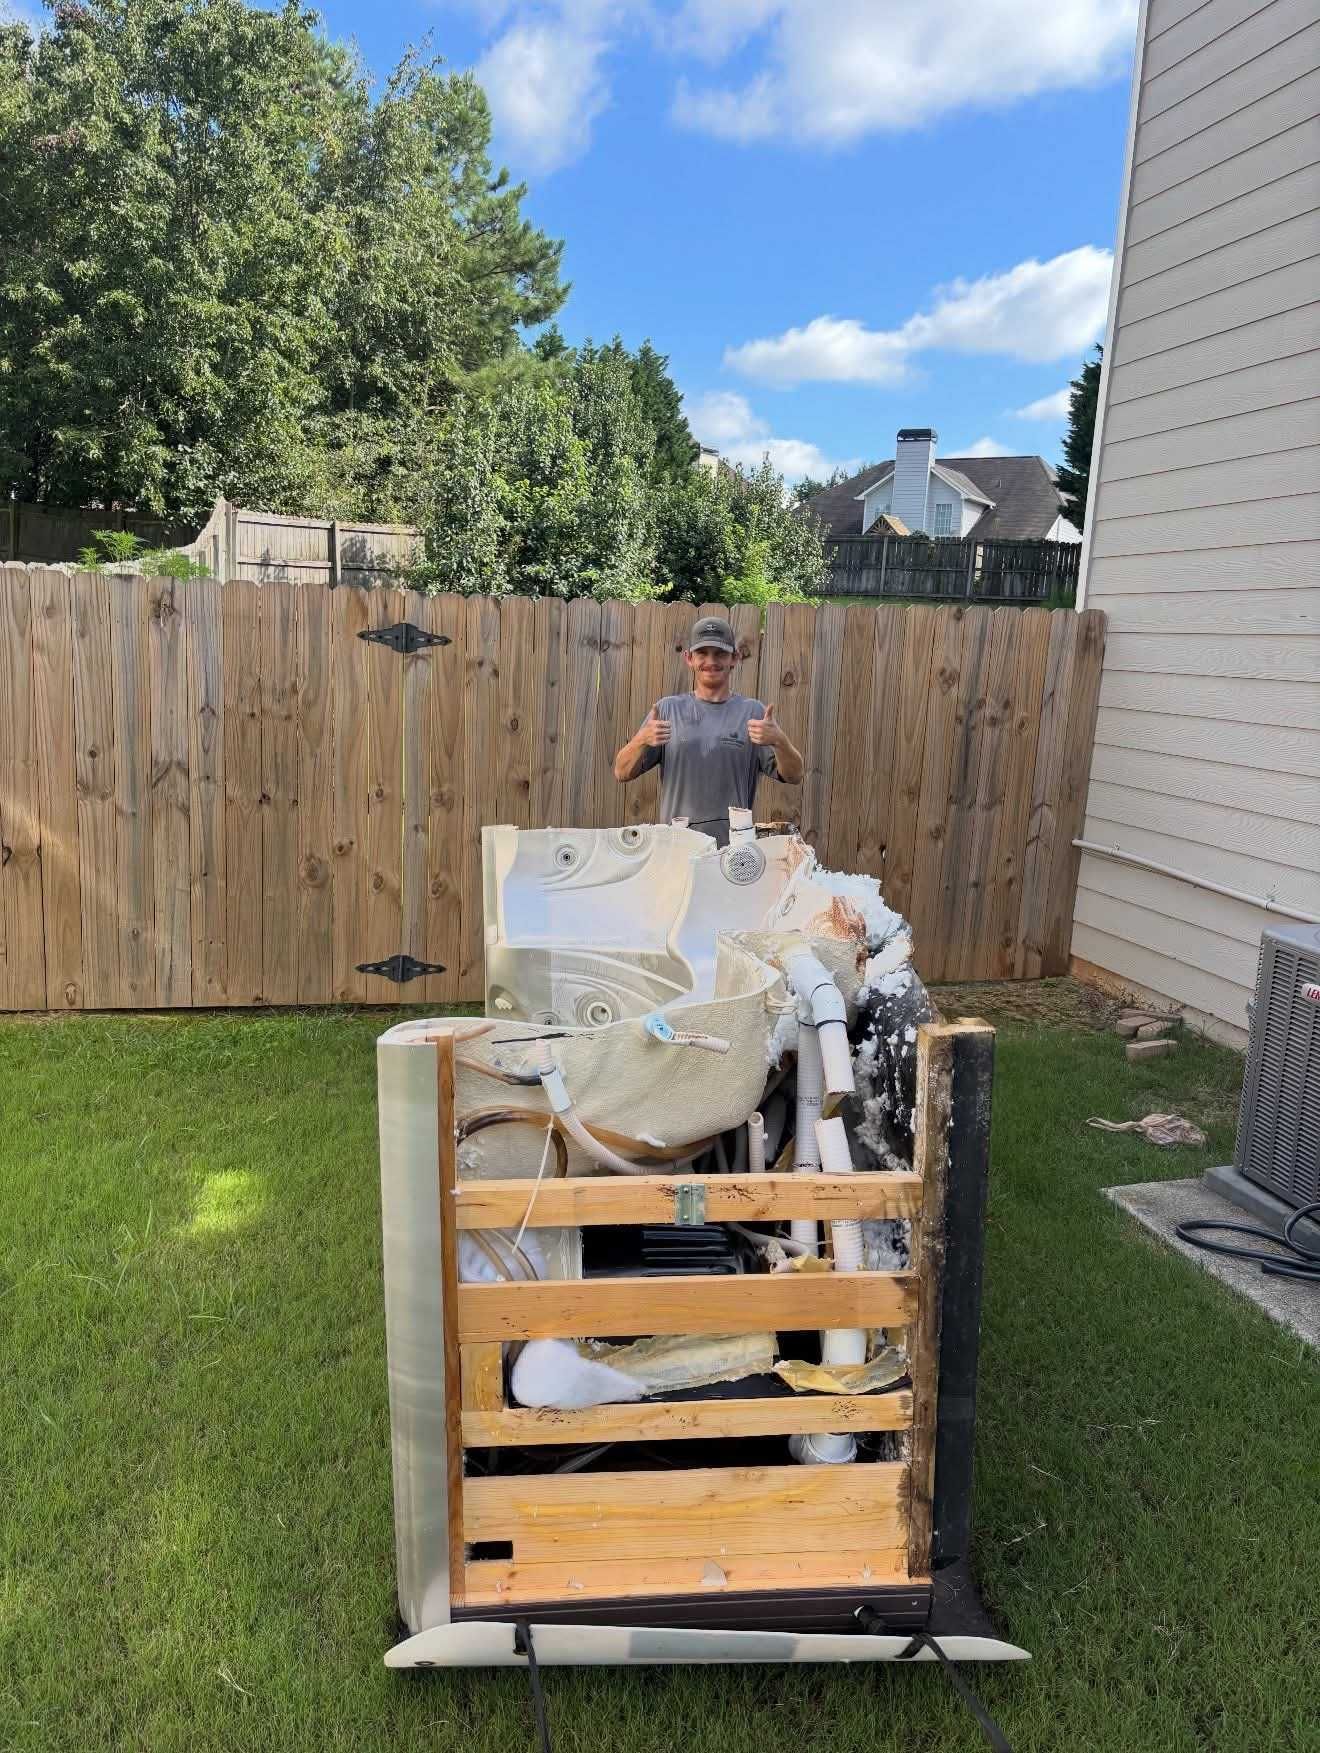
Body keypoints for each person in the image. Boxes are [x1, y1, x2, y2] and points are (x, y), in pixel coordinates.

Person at [612, 614, 803, 846]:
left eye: (720, 653)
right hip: (677, 847)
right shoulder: (667, 710)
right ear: (689, 658)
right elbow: (621, 773)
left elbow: (794, 775)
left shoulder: (753, 713)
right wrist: (641, 740)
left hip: (733, 852)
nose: (711, 661)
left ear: (735, 658)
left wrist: (780, 741)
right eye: (702, 653)